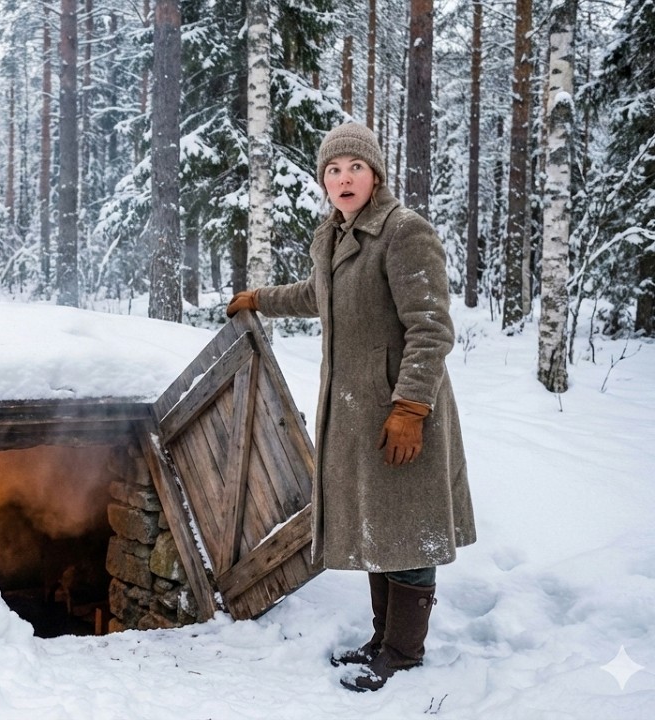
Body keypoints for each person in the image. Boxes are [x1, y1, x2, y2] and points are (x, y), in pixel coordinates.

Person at [226, 122, 476, 692]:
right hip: (358, 414)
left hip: (404, 413)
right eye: (333, 170)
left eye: (354, 168)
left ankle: (403, 654)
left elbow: (431, 328)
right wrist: (260, 299)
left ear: (375, 174)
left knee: (407, 527)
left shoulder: (405, 233)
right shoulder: (332, 237)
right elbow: (320, 294)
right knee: (379, 523)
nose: (343, 179)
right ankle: (381, 641)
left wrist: (410, 406)